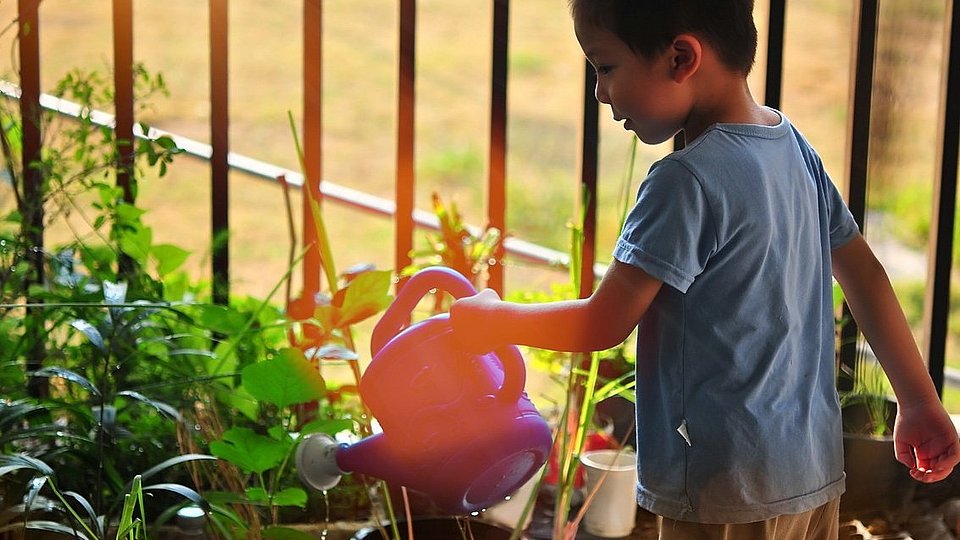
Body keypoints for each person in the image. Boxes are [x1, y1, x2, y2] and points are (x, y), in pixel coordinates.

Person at [449, 0, 960, 538]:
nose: (600, 92)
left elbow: (602, 323)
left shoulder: (684, 182)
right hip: (811, 475)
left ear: (680, 57)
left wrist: (493, 319)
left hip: (725, 491)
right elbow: (866, 276)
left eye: (605, 67)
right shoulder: (795, 151)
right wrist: (920, 400)